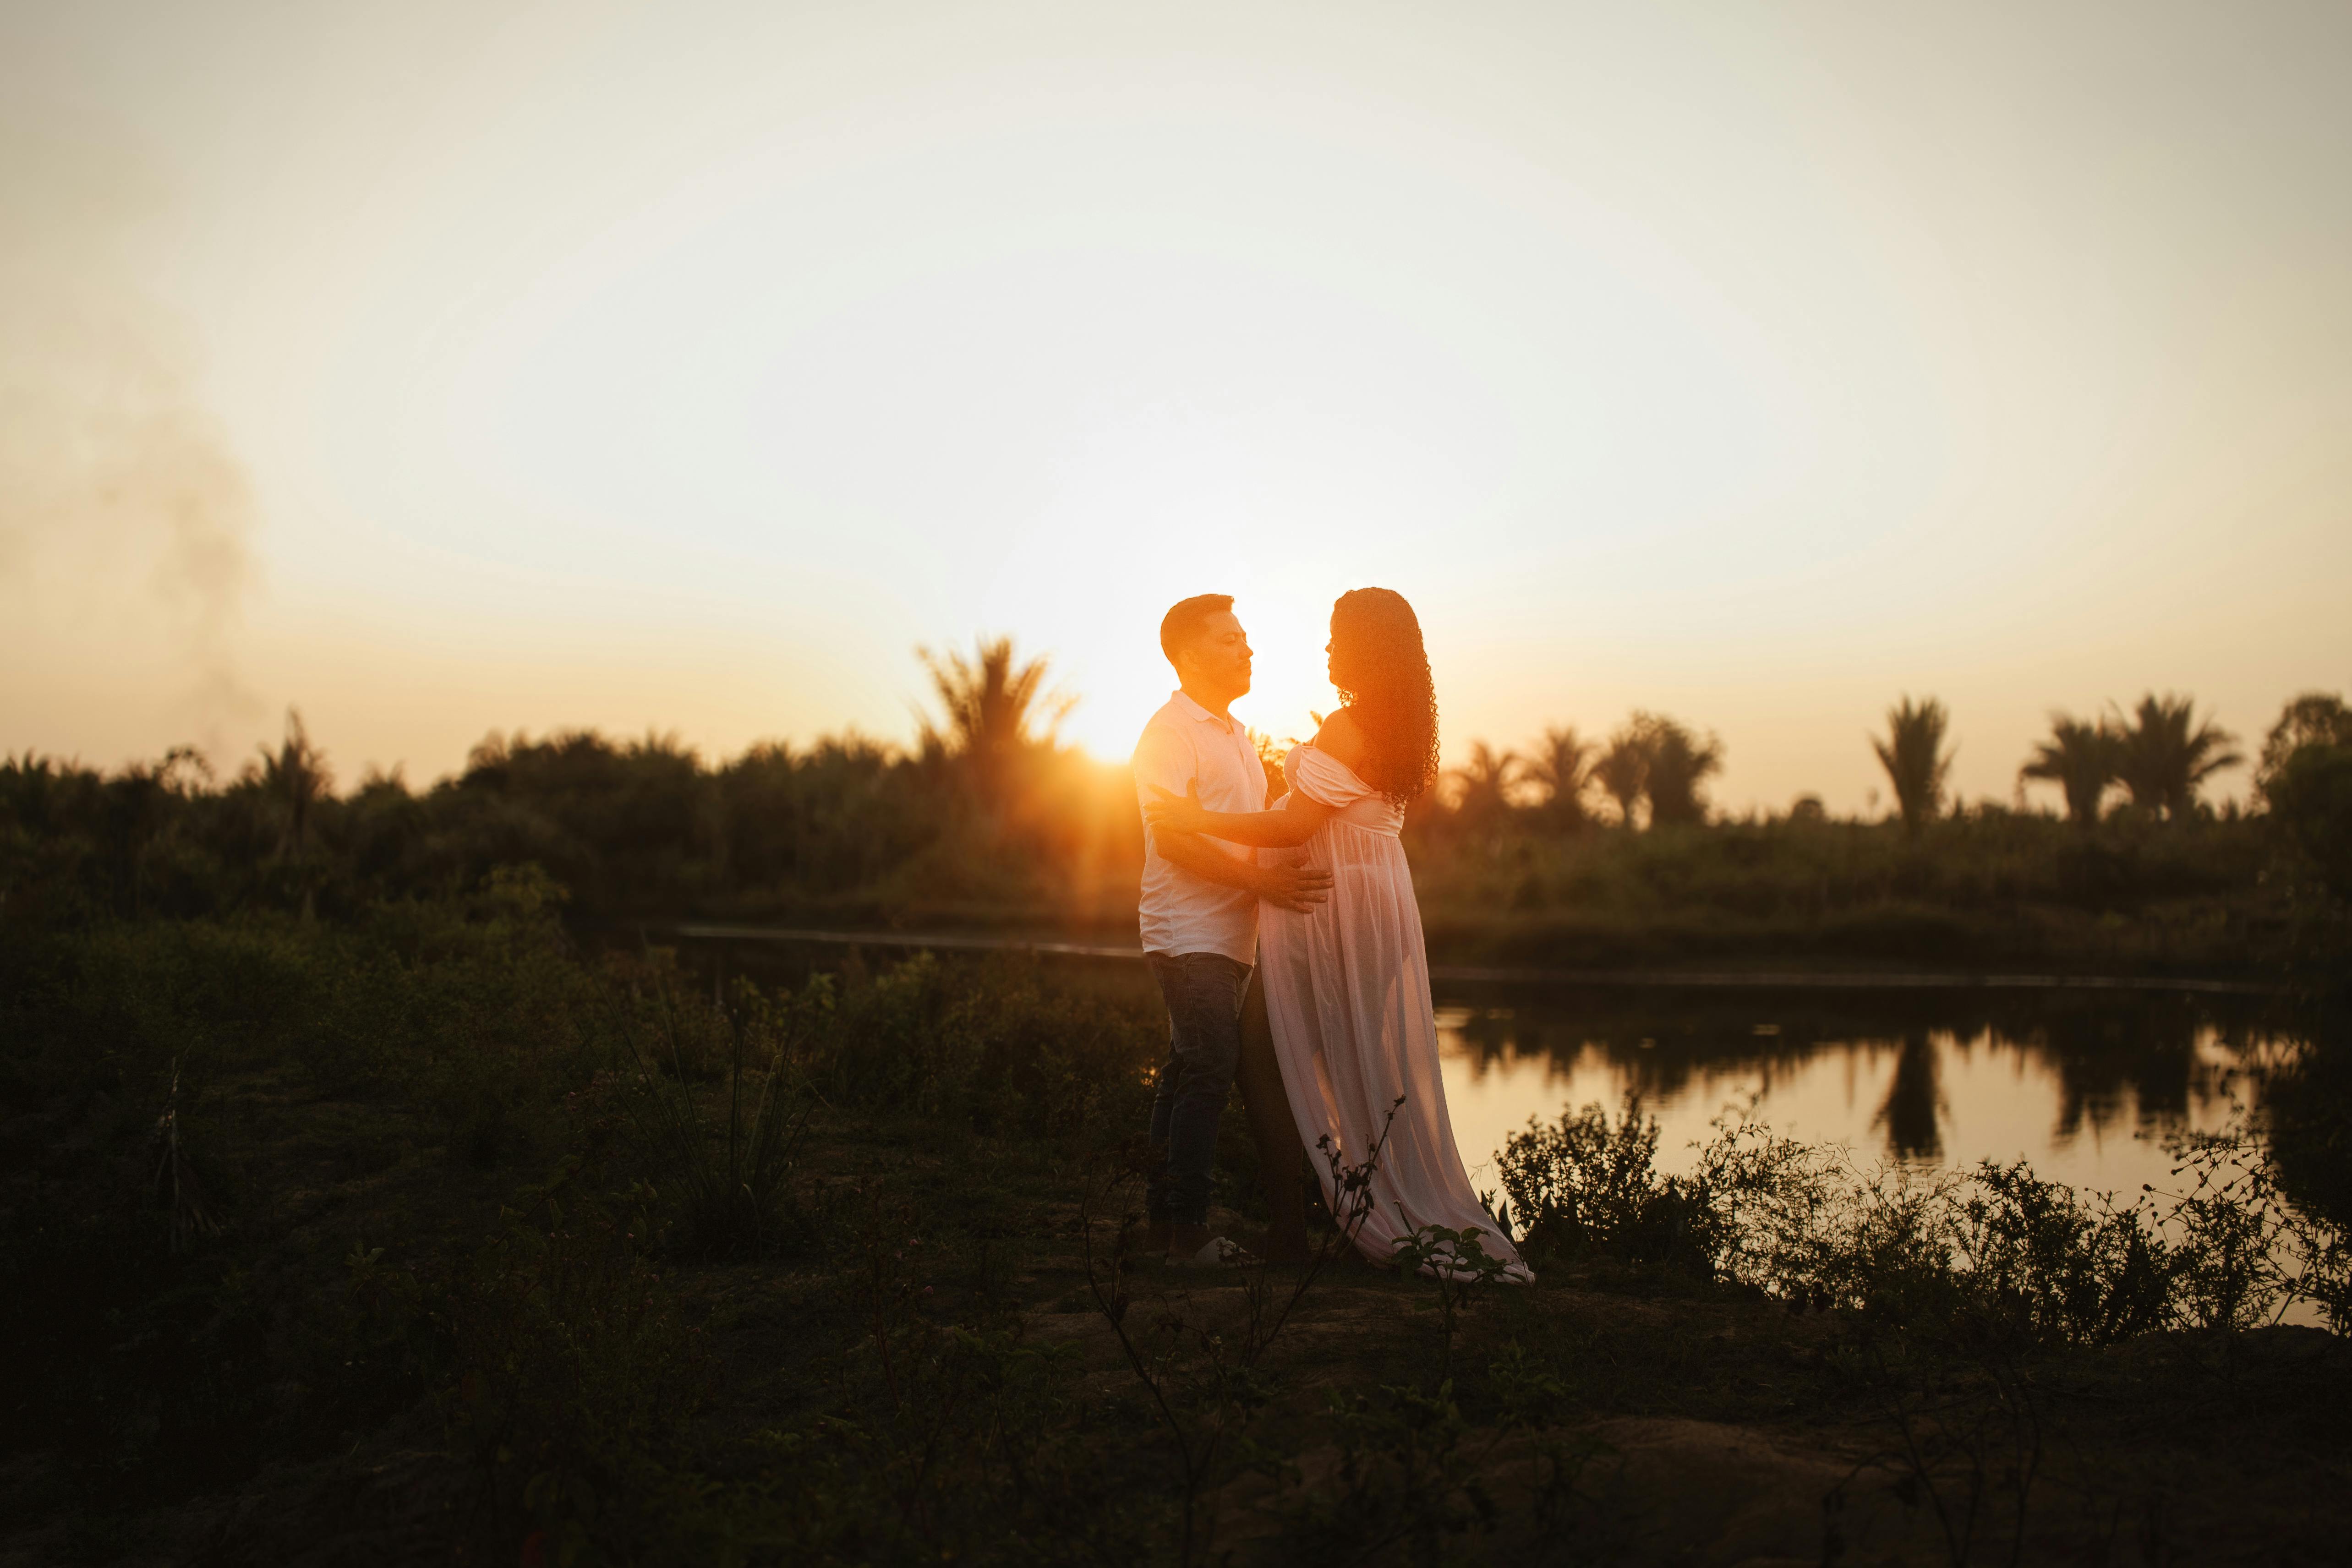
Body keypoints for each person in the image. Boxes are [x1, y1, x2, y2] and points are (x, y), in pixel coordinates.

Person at [1145, 587, 1528, 1279]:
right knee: (1349, 1062)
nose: (1325, 649)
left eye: (1334, 637)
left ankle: (1297, 1233)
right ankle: (1339, 1215)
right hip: (1373, 900)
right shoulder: (1399, 726)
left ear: (1366, 647)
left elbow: (1292, 826)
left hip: (1335, 907)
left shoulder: (1353, 727)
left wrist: (1192, 819)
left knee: (1263, 1059)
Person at [1132, 594, 1328, 1266]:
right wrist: (1262, 885)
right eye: (1229, 641)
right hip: (1189, 934)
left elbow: (1249, 832)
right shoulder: (1170, 733)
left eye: (1246, 639)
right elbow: (1174, 841)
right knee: (1208, 1072)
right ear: (1187, 654)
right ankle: (1183, 1233)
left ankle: (1163, 1226)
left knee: (1188, 1069)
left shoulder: (1236, 735)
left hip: (1228, 937)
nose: (1246, 650)